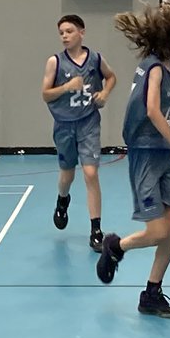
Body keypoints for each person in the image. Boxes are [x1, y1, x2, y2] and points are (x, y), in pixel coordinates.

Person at [95, 0, 170, 319]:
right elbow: (150, 110)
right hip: (148, 155)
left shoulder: (154, 69)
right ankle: (116, 247)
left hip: (165, 156)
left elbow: (160, 112)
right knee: (159, 231)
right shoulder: (156, 69)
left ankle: (152, 292)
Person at [41, 14, 117, 251]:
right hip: (64, 125)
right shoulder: (54, 62)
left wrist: (104, 94)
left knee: (91, 173)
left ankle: (96, 229)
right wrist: (65, 87)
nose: (64, 35)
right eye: (61, 32)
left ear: (81, 32)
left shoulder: (95, 59)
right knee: (67, 176)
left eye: (69, 31)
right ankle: (62, 200)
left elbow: (112, 77)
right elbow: (45, 94)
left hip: (88, 122)